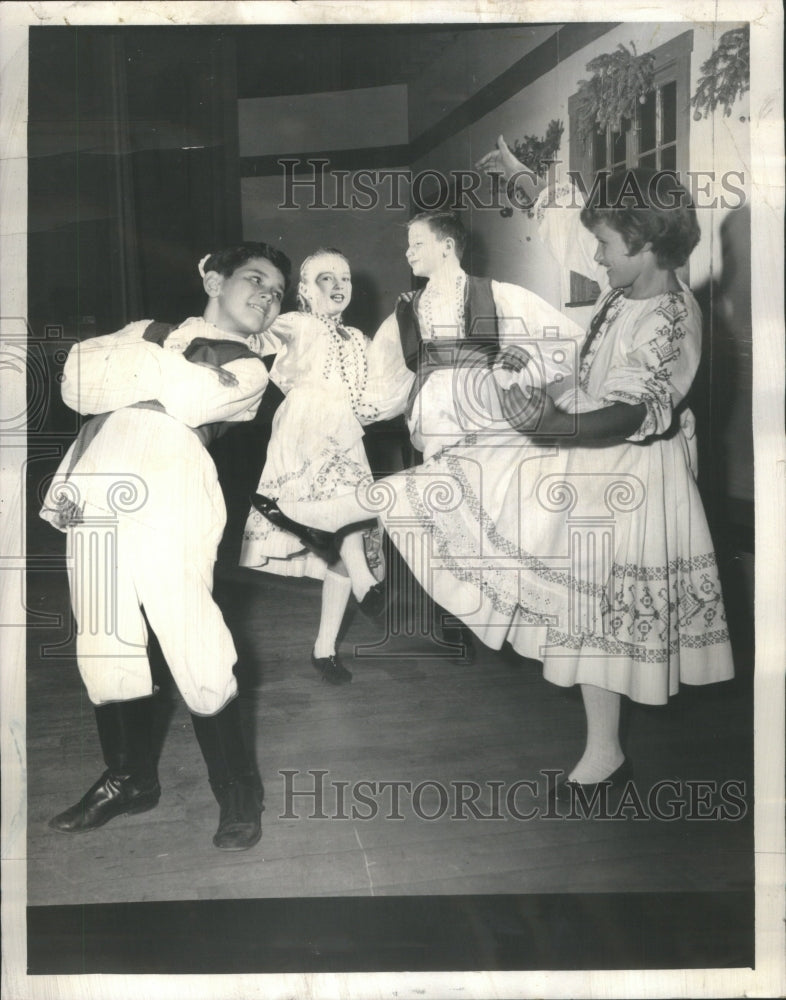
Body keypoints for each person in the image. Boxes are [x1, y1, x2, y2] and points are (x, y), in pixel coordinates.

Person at [256, 162, 735, 800]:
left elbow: (637, 405)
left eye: (607, 245)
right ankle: (346, 506)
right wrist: (547, 392)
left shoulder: (675, 316)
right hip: (588, 452)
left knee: (596, 606)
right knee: (468, 477)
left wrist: (553, 420)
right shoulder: (626, 289)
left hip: (630, 473)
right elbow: (584, 333)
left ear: (646, 242)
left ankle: (604, 754)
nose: (597, 255)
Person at [40, 242, 291, 849]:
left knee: (190, 630)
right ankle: (129, 780)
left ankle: (236, 787)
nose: (267, 296)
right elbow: (75, 378)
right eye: (255, 279)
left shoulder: (256, 364)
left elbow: (197, 401)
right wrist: (167, 373)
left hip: (175, 480)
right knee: (102, 633)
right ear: (212, 277)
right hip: (98, 482)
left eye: (278, 293)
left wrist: (133, 370)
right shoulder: (151, 328)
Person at [240, 248, 387, 686]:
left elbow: (369, 398)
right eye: (326, 278)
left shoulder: (359, 339)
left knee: (352, 526)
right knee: (347, 519)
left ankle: (324, 650)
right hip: (306, 425)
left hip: (346, 431)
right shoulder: (297, 323)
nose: (339, 285)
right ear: (305, 290)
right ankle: (364, 583)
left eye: (344, 277)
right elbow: (253, 331)